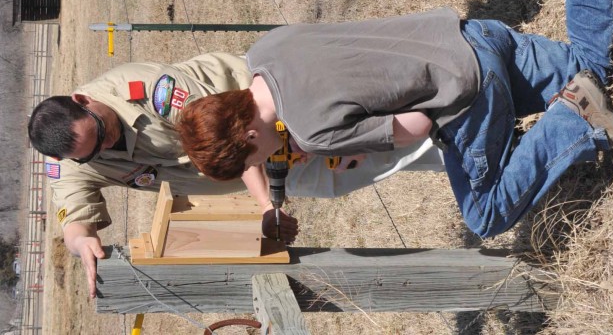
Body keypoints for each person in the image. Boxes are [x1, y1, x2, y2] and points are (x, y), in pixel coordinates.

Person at [177, 0, 613, 241]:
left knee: (484, 216)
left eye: (250, 159)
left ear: (249, 136)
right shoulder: (264, 50)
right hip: (470, 35)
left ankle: (572, 116)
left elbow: (416, 126)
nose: (260, 163)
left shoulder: (312, 133)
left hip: (467, 90)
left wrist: (356, 143)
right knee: (589, 67)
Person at [28, 52, 445, 298]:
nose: (105, 146)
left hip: (275, 121)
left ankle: (460, 128)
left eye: (100, 134)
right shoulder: (78, 156)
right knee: (362, 169)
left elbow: (234, 140)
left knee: (384, 140)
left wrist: (268, 204)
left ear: (84, 100)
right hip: (256, 164)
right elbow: (73, 209)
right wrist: (81, 240)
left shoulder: (146, 89)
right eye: (92, 153)